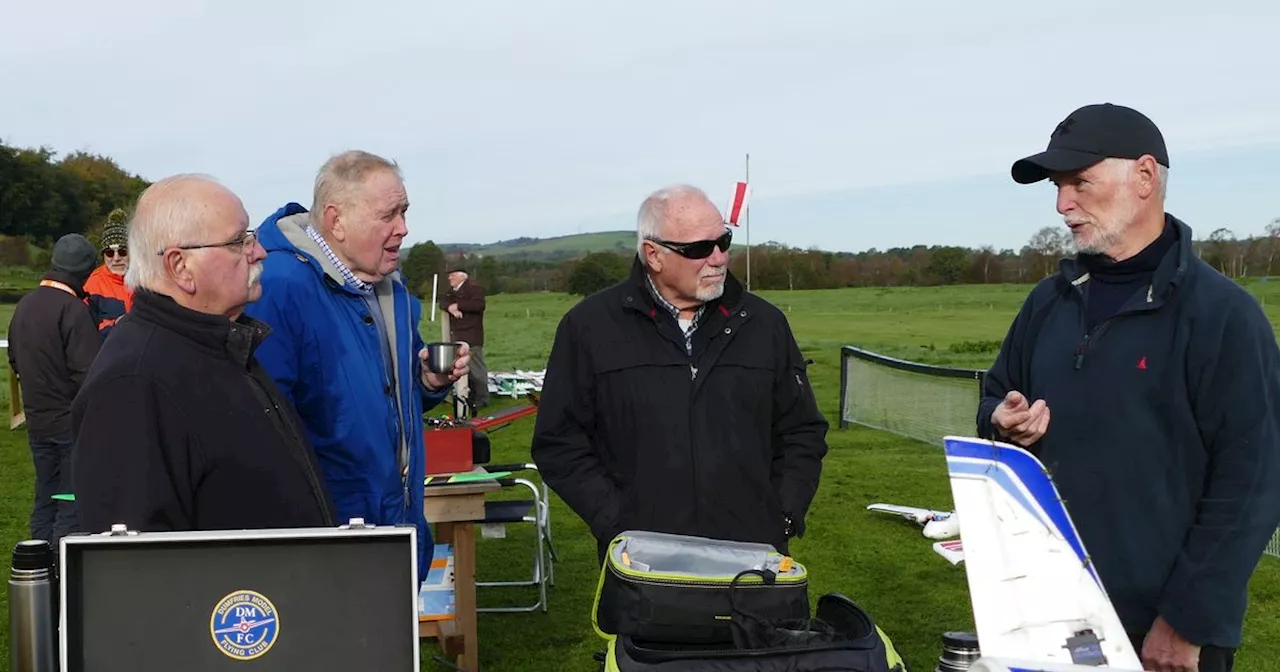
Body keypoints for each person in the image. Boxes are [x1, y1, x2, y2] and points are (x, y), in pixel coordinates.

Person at [979, 103, 1280, 672]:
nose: (1062, 204)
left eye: (1079, 183)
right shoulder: (1048, 302)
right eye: (1057, 187)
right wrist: (1001, 419)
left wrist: (1188, 620)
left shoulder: (1222, 317)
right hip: (1043, 607)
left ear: (1145, 177)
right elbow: (995, 396)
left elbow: (1253, 484)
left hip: (1157, 630)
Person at [531, 184, 829, 564]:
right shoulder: (588, 328)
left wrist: (782, 515)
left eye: (724, 241)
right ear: (653, 255)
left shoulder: (764, 324)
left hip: (755, 559)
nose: (719, 258)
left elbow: (802, 431)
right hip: (643, 565)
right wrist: (616, 522)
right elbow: (559, 441)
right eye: (699, 249)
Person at [246, 150, 470, 582]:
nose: (403, 229)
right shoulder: (280, 288)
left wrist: (426, 381)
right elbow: (269, 430)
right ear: (336, 220)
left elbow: (382, 400)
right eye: (389, 215)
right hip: (329, 546)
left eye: (404, 212)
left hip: (395, 526)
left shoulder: (390, 289)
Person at [71, 174, 336, 533]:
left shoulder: (219, 344)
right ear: (181, 267)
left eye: (252, 237)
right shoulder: (133, 385)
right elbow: (132, 572)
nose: (258, 252)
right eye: (238, 241)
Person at [7, 234, 100, 548]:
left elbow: (15, 361)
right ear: (84, 272)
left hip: (37, 422)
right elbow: (87, 375)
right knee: (70, 502)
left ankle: (39, 569)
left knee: (45, 497)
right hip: (70, 425)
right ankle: (63, 576)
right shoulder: (73, 310)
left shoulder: (24, 306)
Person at [438, 263, 489, 408]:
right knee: (463, 369)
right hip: (458, 336)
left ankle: (482, 398)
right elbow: (442, 301)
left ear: (462, 276)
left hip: (472, 335)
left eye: (452, 275)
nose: (449, 278)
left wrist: (458, 306)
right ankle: (469, 396)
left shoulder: (474, 289)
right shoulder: (452, 291)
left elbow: (479, 306)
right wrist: (451, 308)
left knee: (476, 369)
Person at [83, 207, 135, 340]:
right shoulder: (92, 285)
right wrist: (115, 326)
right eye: (110, 253)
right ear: (103, 256)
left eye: (122, 251)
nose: (116, 258)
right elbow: (85, 331)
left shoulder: (146, 281)